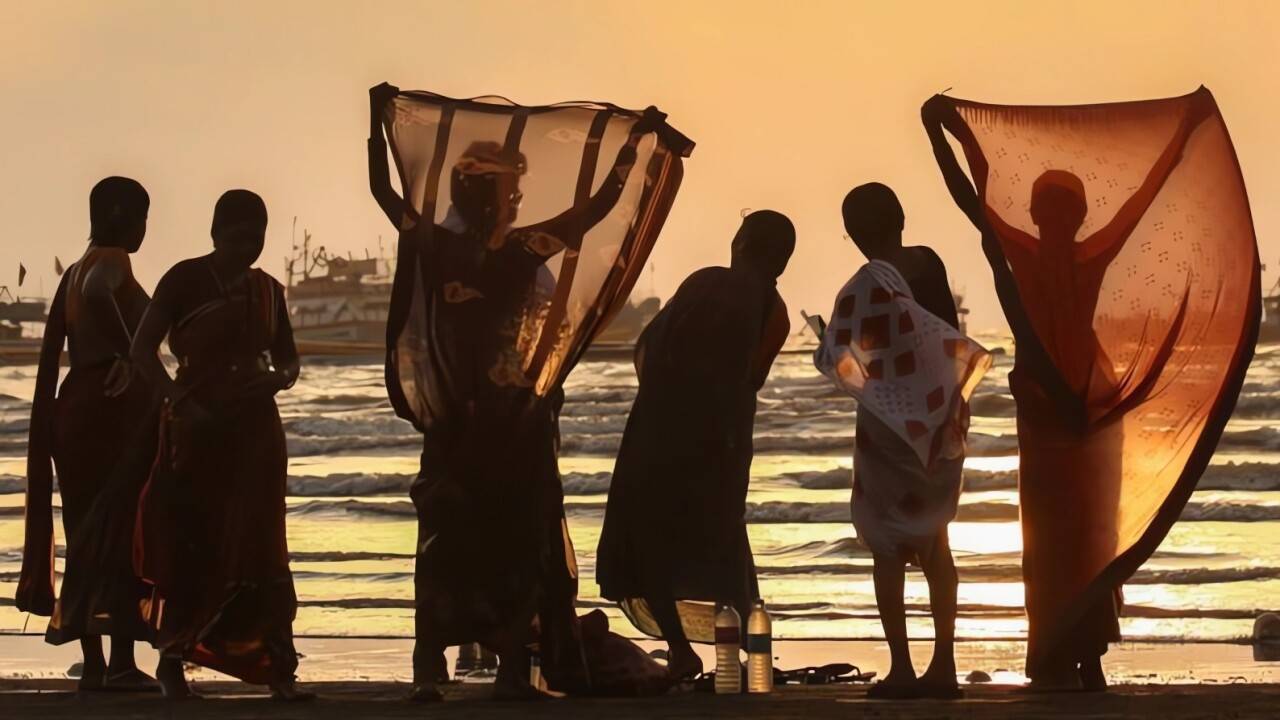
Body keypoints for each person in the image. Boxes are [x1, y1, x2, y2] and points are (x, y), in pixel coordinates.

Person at [368, 83, 669, 702]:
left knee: (454, 537)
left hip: (462, 416)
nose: (519, 197)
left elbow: (381, 190)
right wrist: (632, 148)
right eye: (511, 188)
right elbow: (597, 208)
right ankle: (501, 673)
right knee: (509, 537)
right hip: (507, 417)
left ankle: (437, 671)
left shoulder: (438, 243)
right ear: (491, 194)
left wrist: (376, 125)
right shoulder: (520, 248)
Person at [922, 92, 1215, 690]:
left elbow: (971, 195)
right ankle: (1076, 654)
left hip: (1069, 400)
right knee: (1074, 531)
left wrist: (941, 133)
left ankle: (1074, 652)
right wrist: (1182, 132)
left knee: (1069, 533)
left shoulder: (1044, 250)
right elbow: (974, 193)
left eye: (1058, 209)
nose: (1057, 219)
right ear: (1059, 215)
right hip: (1065, 400)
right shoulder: (1059, 252)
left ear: (1050, 215)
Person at [596, 210, 795, 681]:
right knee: (724, 537)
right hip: (723, 439)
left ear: (740, 244)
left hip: (662, 428)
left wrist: (666, 398)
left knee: (650, 535)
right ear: (782, 262)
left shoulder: (705, 281)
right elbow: (754, 378)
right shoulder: (775, 310)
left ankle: (681, 648)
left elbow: (646, 347)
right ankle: (747, 651)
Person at [130, 190, 310, 701]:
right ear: (215, 233)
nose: (247, 247)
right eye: (237, 237)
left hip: (256, 429)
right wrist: (175, 400)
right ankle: (172, 663)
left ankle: (278, 671)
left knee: (262, 543)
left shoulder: (269, 290)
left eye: (256, 238)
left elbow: (291, 360)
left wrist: (280, 378)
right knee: (192, 540)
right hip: (198, 427)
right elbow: (142, 350)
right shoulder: (184, 279)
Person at [813, 183, 990, 699]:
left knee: (886, 544)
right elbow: (942, 341)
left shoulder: (864, 283)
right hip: (937, 418)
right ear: (902, 217)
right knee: (937, 540)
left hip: (889, 425)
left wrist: (830, 340)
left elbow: (848, 358)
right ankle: (944, 667)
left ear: (851, 234)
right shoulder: (927, 263)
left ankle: (902, 670)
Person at [17, 176, 172, 692]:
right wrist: (135, 355)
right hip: (109, 408)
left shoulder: (78, 264)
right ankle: (124, 660)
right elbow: (98, 293)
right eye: (143, 218)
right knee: (123, 529)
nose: (145, 230)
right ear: (120, 216)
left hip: (76, 404)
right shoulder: (108, 259)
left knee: (89, 530)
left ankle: (97, 662)